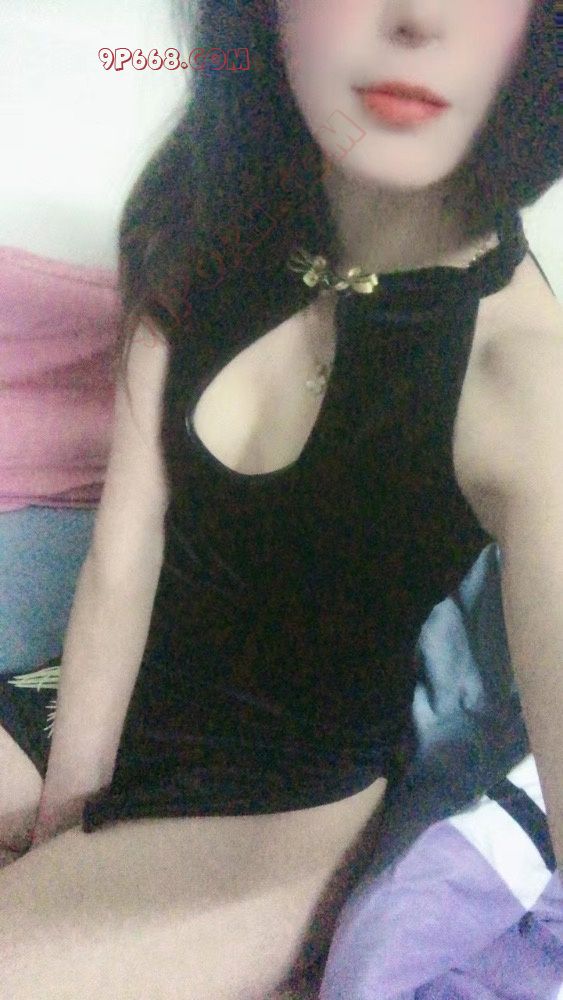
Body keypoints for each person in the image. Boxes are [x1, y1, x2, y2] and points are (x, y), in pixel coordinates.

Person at [0, 1, 560, 998]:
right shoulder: (202, 216)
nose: (415, 16)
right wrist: (64, 825)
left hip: (267, 814)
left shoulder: (523, 382)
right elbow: (124, 556)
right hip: (84, 701)